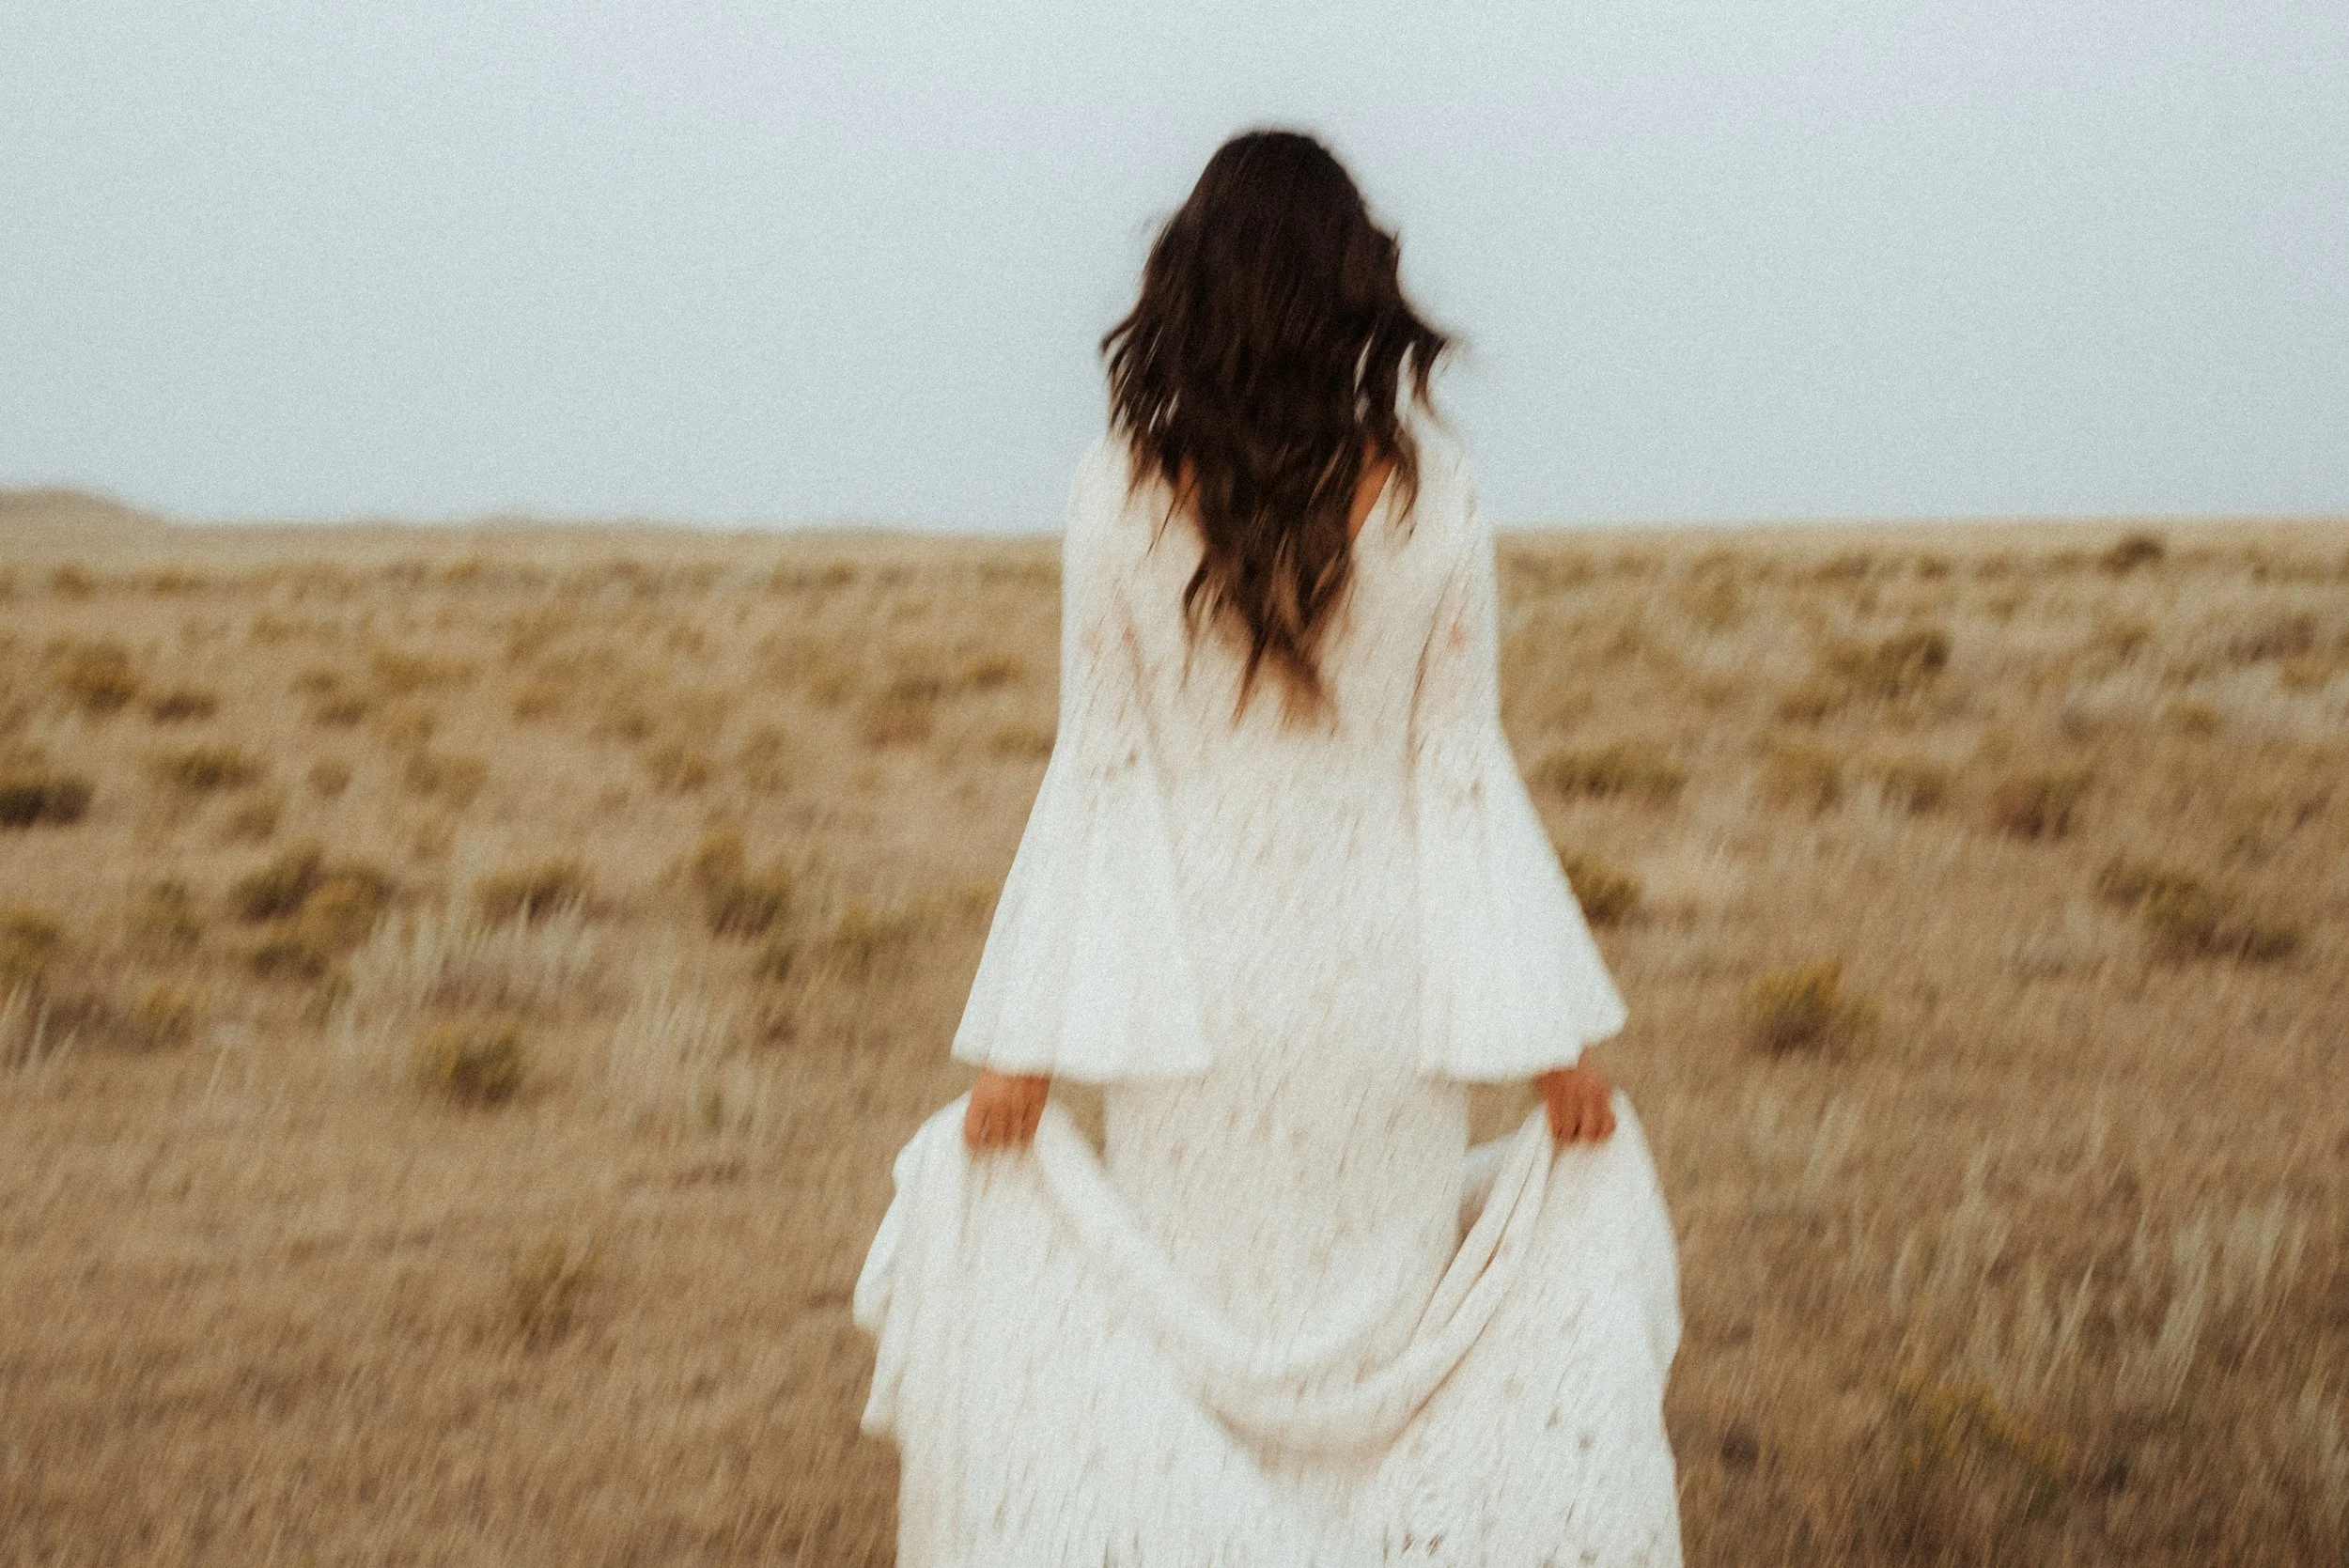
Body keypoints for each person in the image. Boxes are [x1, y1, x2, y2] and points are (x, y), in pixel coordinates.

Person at [853, 128, 1684, 1567]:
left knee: (1196, 1372)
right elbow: (1462, 780)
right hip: (1384, 999)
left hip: (1193, 1003)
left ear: (1193, 285)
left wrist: (1022, 1056)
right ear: (1353, 288)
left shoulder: (1117, 490)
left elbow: (1099, 774)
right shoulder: (1434, 495)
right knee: (1380, 1383)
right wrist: (1557, 1052)